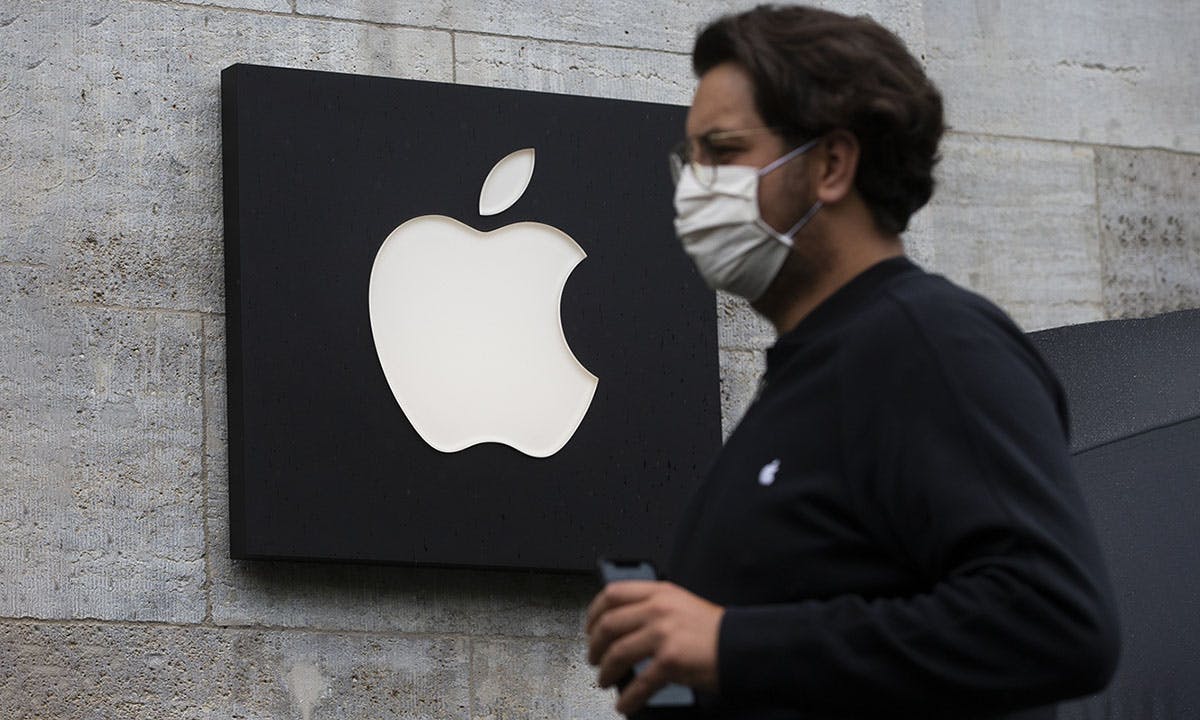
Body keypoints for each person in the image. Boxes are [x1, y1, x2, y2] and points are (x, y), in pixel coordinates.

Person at [584, 5, 1120, 719]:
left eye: (722, 151)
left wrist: (732, 643)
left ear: (832, 165)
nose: (693, 189)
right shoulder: (812, 370)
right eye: (690, 160)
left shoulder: (933, 345)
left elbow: (1056, 619)